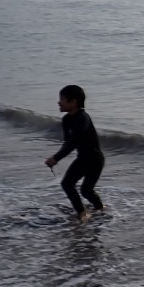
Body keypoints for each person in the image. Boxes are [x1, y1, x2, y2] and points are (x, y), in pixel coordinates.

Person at [45, 85, 106, 222]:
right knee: (67, 184)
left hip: (95, 160)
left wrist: (56, 158)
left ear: (74, 102)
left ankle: (101, 209)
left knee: (86, 190)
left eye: (62, 99)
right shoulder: (66, 120)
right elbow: (67, 142)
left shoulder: (83, 118)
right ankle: (82, 213)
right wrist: (56, 156)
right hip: (82, 159)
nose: (59, 102)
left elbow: (75, 141)